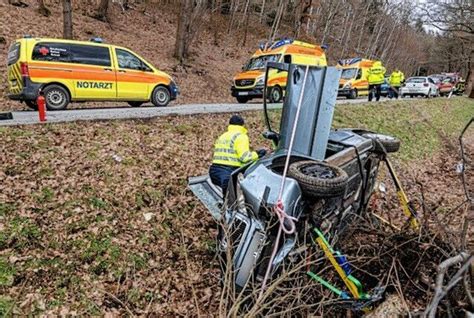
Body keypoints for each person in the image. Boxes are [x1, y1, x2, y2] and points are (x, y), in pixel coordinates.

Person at [209, 114, 265, 195]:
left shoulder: (223, 136)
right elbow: (244, 158)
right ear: (242, 125)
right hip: (229, 173)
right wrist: (257, 154)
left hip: (214, 171)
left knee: (227, 199)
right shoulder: (241, 136)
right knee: (233, 200)